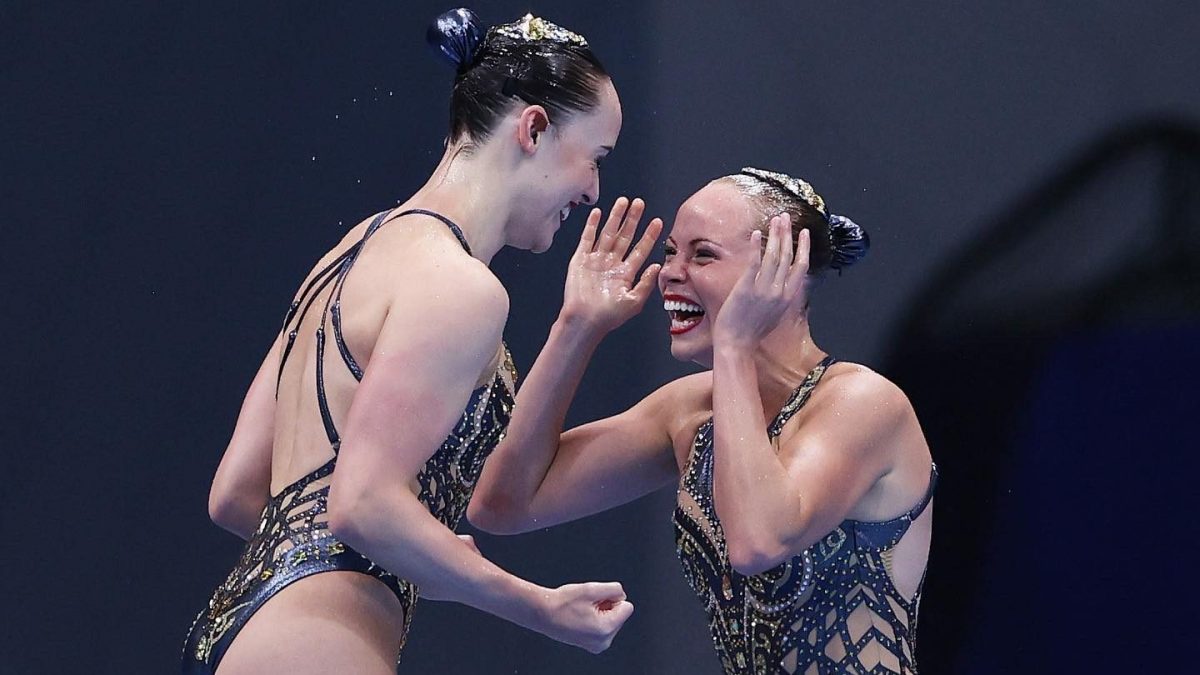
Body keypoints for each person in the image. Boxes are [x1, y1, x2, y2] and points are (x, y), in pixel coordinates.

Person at [181, 9, 636, 674]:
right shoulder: (461, 286)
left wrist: (415, 552)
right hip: (321, 643)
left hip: (244, 628)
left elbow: (236, 492)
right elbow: (363, 503)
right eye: (595, 159)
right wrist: (540, 606)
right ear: (534, 128)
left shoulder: (350, 252)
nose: (594, 191)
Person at [470, 168, 937, 674]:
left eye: (703, 254)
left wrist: (734, 347)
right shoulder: (690, 410)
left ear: (784, 268)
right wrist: (576, 326)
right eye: (671, 252)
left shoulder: (862, 403)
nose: (669, 272)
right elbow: (503, 505)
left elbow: (759, 541)